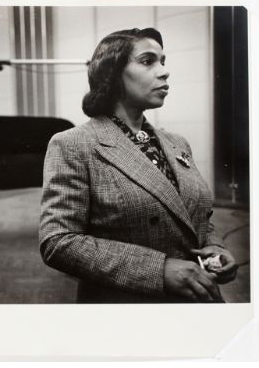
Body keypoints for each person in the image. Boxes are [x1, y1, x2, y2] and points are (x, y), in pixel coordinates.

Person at [39, 28, 237, 303]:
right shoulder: (75, 144)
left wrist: (216, 248)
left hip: (197, 300)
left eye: (163, 61)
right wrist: (158, 270)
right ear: (112, 73)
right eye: (147, 61)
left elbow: (196, 217)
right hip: (126, 311)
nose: (164, 72)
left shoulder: (177, 143)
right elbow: (58, 242)